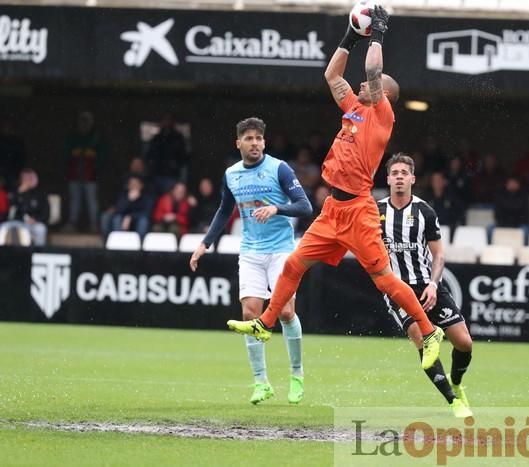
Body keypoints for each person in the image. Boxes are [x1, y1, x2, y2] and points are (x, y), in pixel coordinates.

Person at [227, 6, 444, 371]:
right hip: (333, 208)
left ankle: (428, 330)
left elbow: (373, 71)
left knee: (385, 281)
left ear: (383, 95)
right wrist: (350, 37)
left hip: (359, 210)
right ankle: (265, 325)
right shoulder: (356, 107)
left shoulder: (382, 115)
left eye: (368, 86)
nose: (359, 86)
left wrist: (377, 32)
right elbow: (332, 74)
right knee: (294, 264)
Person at [189, 117, 312, 404]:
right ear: (239, 143)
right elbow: (224, 211)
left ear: (264, 142)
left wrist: (276, 209)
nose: (254, 143)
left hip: (281, 250)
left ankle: (297, 375)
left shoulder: (279, 168)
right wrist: (204, 244)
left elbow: (305, 206)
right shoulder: (231, 174)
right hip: (251, 251)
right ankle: (261, 382)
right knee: (249, 314)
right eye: (249, 139)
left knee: (284, 312)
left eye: (259, 138)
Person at [378, 153, 474, 418]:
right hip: (397, 289)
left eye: (403, 173)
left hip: (428, 287)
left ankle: (456, 381)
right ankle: (453, 401)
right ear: (387, 178)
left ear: (412, 179)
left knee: (464, 343)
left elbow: (439, 255)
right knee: (421, 339)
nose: (399, 177)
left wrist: (433, 284)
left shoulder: (425, 212)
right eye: (394, 173)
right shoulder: (376, 212)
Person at [64, 111, 107, 232]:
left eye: (86, 121)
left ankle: (94, 225)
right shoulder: (73, 136)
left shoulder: (96, 137)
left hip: (90, 175)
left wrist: (96, 168)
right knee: (74, 201)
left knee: (91, 201)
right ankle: (72, 224)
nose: (84, 124)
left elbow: (102, 156)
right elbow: (66, 155)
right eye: (82, 121)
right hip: (74, 174)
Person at [0, 168, 49, 246]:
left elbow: (45, 213)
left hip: (33, 223)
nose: (26, 180)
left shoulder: (40, 193)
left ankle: (39, 252)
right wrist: (19, 192)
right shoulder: (15, 190)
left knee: (40, 229)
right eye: (24, 178)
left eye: (28, 178)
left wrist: (36, 219)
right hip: (16, 221)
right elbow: (7, 207)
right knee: (2, 229)